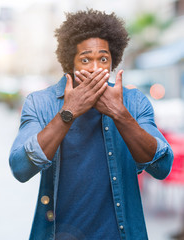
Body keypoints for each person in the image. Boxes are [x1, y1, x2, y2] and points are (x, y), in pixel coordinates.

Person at [9, 9, 174, 240]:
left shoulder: (134, 103)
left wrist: (120, 114)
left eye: (103, 59)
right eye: (85, 59)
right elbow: (20, 167)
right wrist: (69, 112)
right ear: (70, 63)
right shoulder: (41, 103)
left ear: (113, 61)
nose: (95, 68)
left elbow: (162, 167)